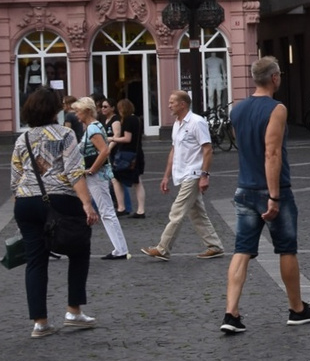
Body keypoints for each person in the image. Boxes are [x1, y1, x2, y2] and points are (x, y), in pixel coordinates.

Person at [222, 57, 310, 335]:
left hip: (244, 187)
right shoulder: (277, 109)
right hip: (271, 190)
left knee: (242, 250)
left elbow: (246, 147)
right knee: (286, 248)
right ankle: (297, 309)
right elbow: (271, 153)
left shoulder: (237, 111)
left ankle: (231, 313)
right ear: (275, 78)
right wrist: (274, 196)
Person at [12, 86, 101, 338]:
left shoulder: (22, 139)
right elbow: (74, 171)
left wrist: (19, 212)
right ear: (55, 110)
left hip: (26, 202)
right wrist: (86, 203)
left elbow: (15, 178)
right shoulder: (66, 134)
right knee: (79, 249)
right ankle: (74, 310)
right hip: (61, 199)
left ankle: (40, 323)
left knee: (35, 261)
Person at [142, 91, 224, 261]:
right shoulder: (176, 124)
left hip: (193, 173)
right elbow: (174, 150)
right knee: (197, 213)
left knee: (177, 211)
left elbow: (207, 150)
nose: (169, 105)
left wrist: (204, 175)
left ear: (183, 104)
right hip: (182, 174)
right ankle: (214, 245)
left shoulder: (197, 122)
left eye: (172, 102)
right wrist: (166, 176)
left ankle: (163, 248)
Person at [70, 97, 128, 261]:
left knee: (107, 211)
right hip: (97, 174)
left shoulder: (93, 129)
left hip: (97, 175)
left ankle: (120, 248)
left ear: (87, 111)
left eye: (78, 111)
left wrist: (92, 169)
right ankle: (120, 248)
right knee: (106, 210)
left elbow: (104, 151)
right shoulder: (94, 127)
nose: (76, 115)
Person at [110, 98, 145, 218]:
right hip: (137, 153)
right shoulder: (137, 119)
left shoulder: (128, 120)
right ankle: (140, 209)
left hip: (127, 155)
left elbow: (127, 138)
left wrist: (112, 139)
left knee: (117, 179)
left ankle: (122, 207)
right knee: (137, 181)